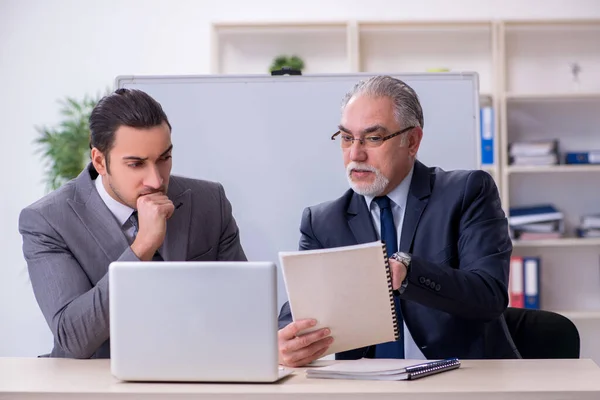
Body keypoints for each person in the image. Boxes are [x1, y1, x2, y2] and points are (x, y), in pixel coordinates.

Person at [277, 75, 519, 367]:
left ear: (412, 141)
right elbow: (296, 318)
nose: (356, 154)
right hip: (365, 385)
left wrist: (408, 271)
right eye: (346, 138)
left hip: (458, 378)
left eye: (374, 138)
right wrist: (285, 345)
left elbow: (489, 295)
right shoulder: (323, 222)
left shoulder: (467, 192)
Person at [19, 88, 246, 359]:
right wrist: (143, 247)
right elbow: (74, 339)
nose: (156, 180)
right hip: (95, 385)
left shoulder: (209, 201)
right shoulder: (48, 221)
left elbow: (243, 306)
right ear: (100, 161)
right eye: (136, 164)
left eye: (164, 158)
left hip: (195, 373)